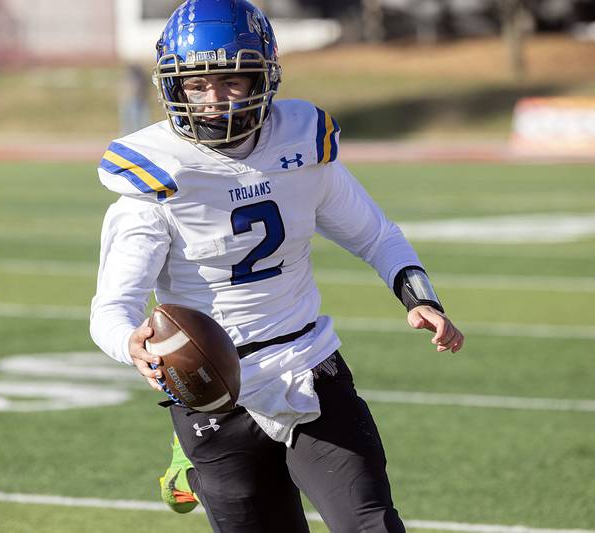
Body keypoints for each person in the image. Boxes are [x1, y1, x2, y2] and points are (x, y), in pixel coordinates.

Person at [89, 1, 464, 531]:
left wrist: (420, 297)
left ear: (263, 77)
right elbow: (112, 308)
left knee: (371, 525)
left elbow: (376, 235)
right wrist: (133, 346)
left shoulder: (301, 141)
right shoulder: (153, 180)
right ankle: (191, 459)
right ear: (172, 88)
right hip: (209, 387)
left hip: (308, 362)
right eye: (197, 85)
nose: (214, 100)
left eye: (231, 81)